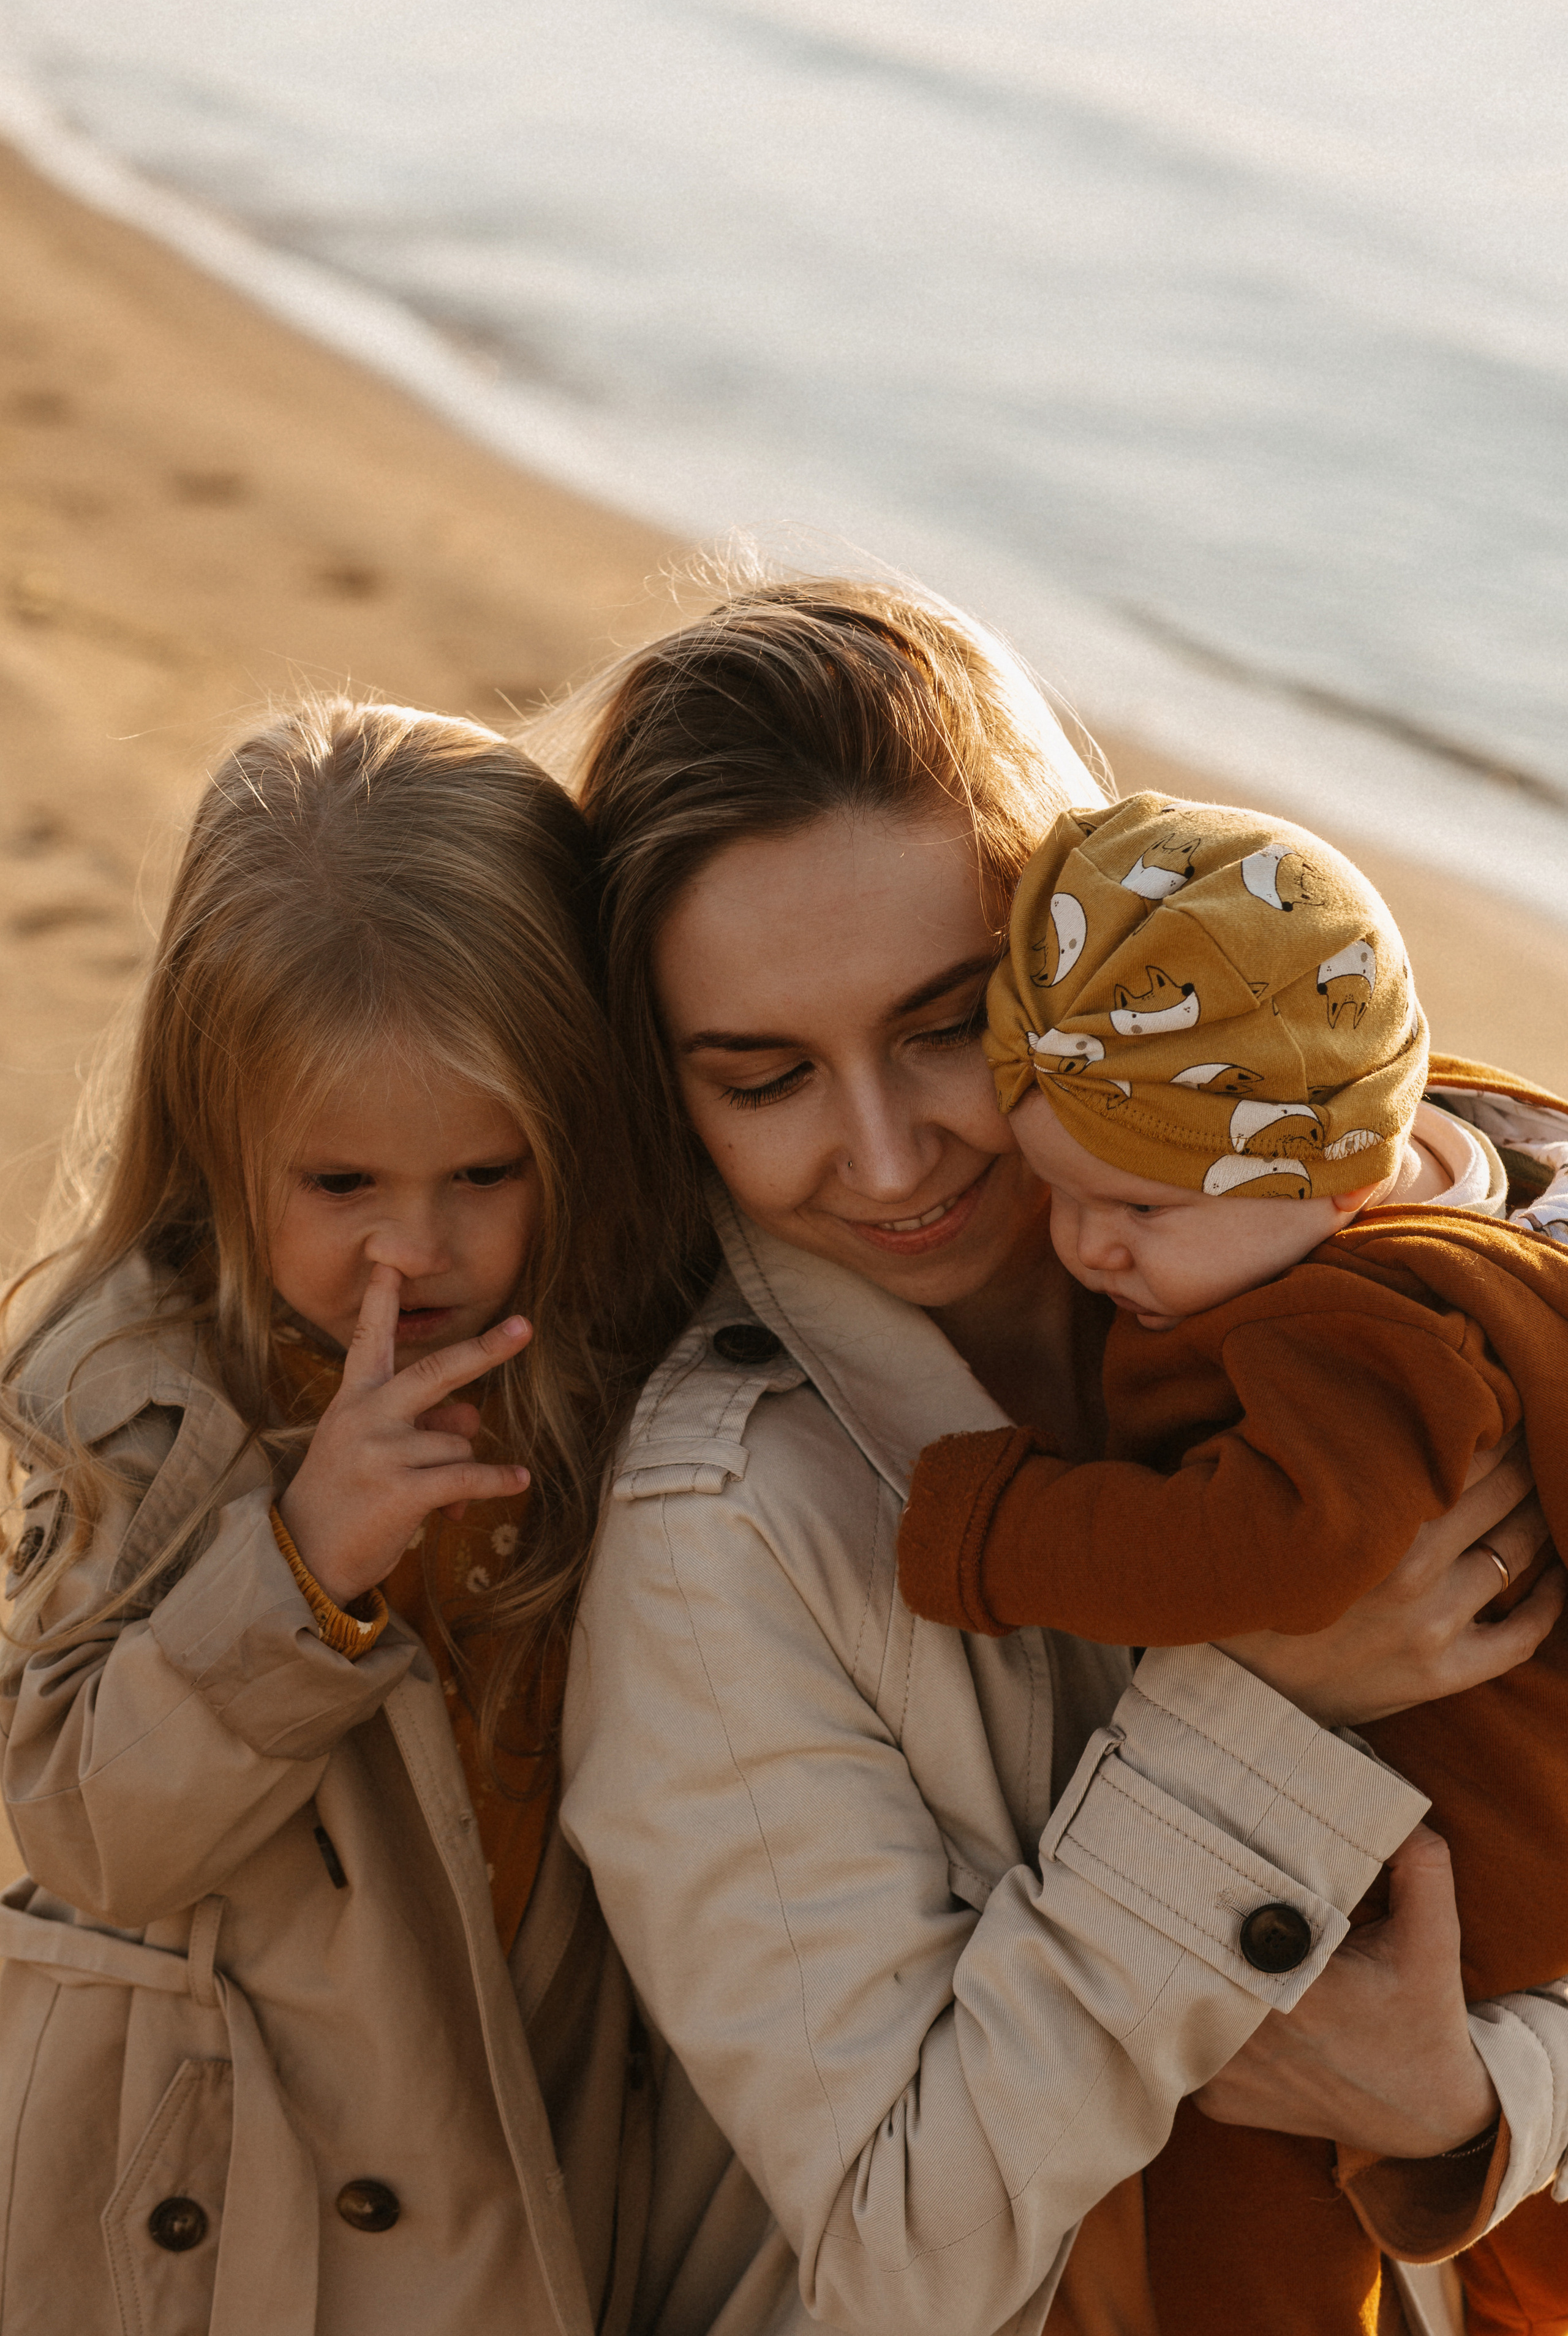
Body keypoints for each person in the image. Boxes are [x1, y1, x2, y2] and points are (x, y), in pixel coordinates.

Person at [551, 574, 1568, 2336]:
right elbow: (899, 2249)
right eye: (764, 1076)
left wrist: (1471, 2114)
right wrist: (1255, 1717)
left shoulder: (1454, 1260)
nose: (883, 1158)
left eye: (947, 1024)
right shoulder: (725, 1528)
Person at [0, 701, 676, 2335]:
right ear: (220, 1143)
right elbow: (87, 1830)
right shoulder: (149, 1406)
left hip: (527, 2130)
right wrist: (295, 1574)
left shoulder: (611, 1369)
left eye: (485, 1175)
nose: (415, 1256)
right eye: (341, 1186)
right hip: (233, 2207)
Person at [894, 788, 1568, 2335]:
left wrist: (986, 1531)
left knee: (1232, 2200)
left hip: (1459, 1865)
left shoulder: (1356, 1327)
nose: (1081, 1248)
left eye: (1129, 1206)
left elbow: (1273, 1541)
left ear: (1337, 1178)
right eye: (1050, 1186)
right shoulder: (1451, 1139)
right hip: (1461, 1838)